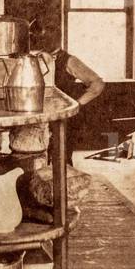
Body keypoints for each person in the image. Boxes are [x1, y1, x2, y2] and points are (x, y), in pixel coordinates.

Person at [14, 21, 106, 165]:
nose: (39, 40)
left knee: (61, 162)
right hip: (39, 118)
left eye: (44, 37)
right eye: (37, 37)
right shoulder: (35, 58)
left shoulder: (69, 60)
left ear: (55, 37)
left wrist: (77, 104)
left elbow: (97, 84)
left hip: (61, 121)